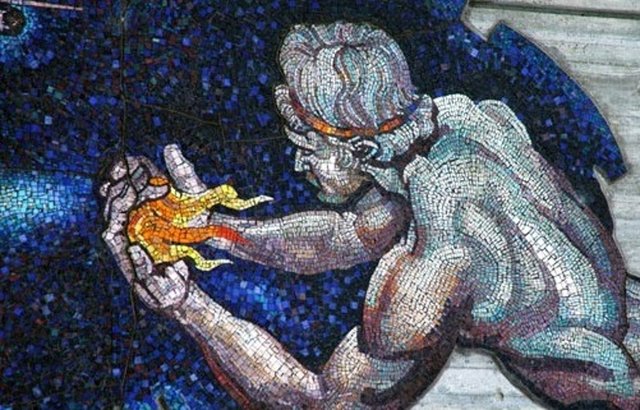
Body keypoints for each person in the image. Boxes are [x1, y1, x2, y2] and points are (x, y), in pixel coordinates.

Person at [101, 22, 640, 409]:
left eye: (306, 146)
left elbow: (320, 400)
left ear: (357, 149)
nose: (299, 164)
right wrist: (214, 227)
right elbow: (351, 234)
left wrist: (186, 306)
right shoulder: (465, 124)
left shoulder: (430, 273)